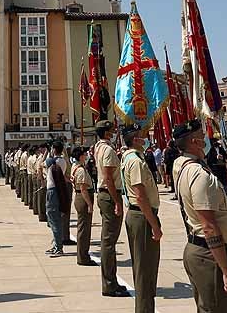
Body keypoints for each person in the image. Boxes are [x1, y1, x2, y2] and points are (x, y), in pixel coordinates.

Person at [171, 120, 227, 313]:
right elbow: (208, 226)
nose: (206, 138)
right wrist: (226, 271)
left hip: (198, 248)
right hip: (209, 253)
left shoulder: (181, 165)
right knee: (220, 308)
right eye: (202, 135)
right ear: (195, 141)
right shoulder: (199, 175)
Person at [121, 124, 161, 313]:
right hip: (142, 216)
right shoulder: (135, 161)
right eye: (140, 136)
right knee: (145, 269)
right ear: (135, 140)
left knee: (143, 266)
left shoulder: (130, 157)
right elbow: (140, 195)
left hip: (138, 214)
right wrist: (154, 224)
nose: (144, 139)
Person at [93, 120, 129, 298]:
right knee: (109, 242)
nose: (114, 131)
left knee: (108, 241)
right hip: (109, 194)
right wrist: (117, 201)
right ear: (106, 132)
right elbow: (108, 178)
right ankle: (109, 284)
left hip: (105, 194)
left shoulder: (99, 147)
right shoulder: (107, 150)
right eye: (112, 129)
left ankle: (111, 281)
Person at [45, 140, 70, 257]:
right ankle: (56, 244)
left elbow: (43, 162)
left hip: (52, 191)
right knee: (56, 219)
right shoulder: (63, 161)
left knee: (54, 219)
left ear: (54, 149)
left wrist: (47, 152)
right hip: (58, 191)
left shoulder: (52, 161)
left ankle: (58, 247)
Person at [70, 146, 95, 266]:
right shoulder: (80, 170)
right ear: (80, 156)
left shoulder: (76, 167)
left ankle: (83, 255)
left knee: (83, 228)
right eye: (85, 154)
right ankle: (83, 257)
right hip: (83, 198)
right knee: (84, 230)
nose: (86, 156)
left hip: (80, 197)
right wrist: (90, 204)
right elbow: (83, 189)